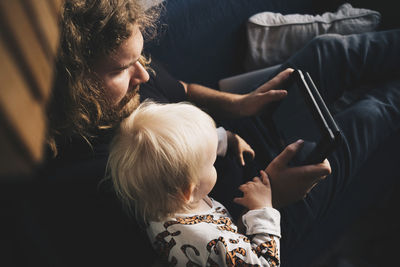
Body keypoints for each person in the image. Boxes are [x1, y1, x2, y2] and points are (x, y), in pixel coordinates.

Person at [44, 0, 400, 265]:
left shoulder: (131, 78)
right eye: (123, 69)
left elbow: (179, 87)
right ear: (77, 83)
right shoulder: (97, 178)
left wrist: (239, 102)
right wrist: (272, 199)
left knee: (330, 51)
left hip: (232, 135)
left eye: (140, 58)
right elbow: (197, 240)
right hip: (252, 215)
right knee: (370, 113)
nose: (144, 75)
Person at [107, 100, 281, 266]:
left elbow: (177, 157)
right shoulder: (213, 242)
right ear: (187, 191)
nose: (215, 164)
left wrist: (224, 138)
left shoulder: (150, 196)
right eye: (212, 163)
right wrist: (263, 208)